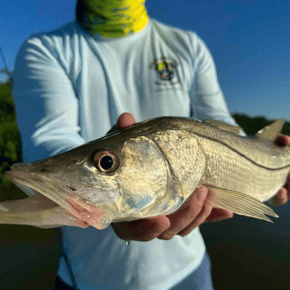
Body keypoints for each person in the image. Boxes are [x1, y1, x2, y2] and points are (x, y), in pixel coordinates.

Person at [12, 1, 290, 289]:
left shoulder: (188, 45)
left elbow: (220, 123)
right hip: (88, 277)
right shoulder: (46, 48)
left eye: (106, 163)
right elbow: (48, 136)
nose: (106, 164)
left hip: (188, 272)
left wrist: (271, 159)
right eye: (106, 164)